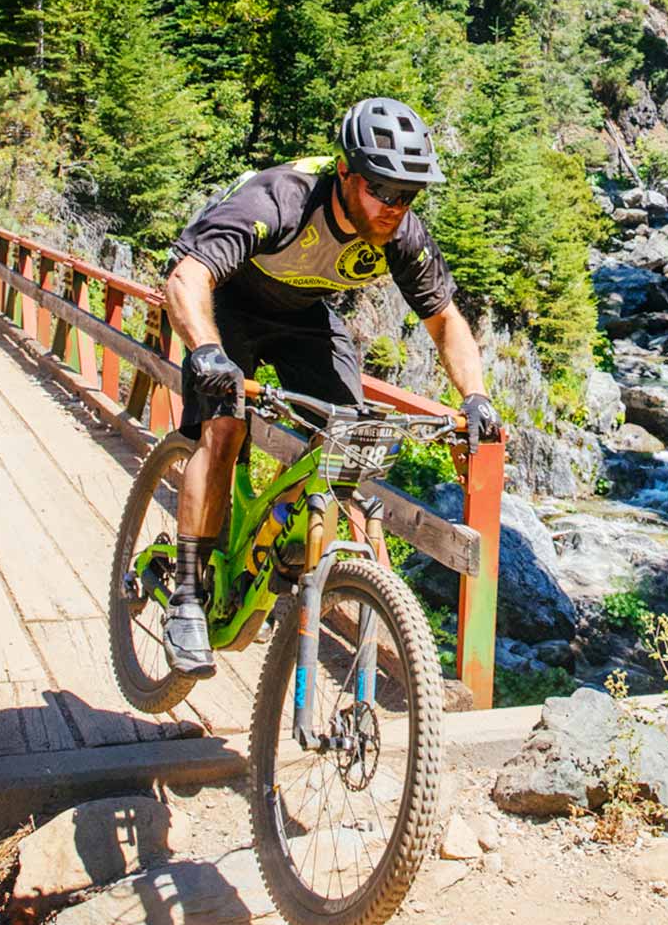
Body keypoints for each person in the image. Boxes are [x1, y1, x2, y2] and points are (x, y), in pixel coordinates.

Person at [160, 96, 503, 677]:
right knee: (223, 430)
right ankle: (187, 594)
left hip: (305, 314)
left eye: (408, 194)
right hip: (231, 302)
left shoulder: (402, 234)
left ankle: (293, 548)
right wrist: (207, 351)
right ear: (345, 172)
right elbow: (188, 276)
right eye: (383, 189)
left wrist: (475, 397)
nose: (395, 206)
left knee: (354, 441)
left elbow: (446, 320)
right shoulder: (281, 199)